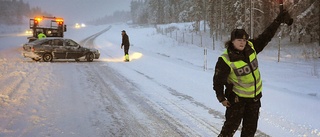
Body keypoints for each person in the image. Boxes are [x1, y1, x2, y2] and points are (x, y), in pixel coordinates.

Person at [213, 11, 293, 137]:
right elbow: (218, 81)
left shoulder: (251, 47)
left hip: (254, 100)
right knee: (228, 131)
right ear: (232, 41)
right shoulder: (225, 59)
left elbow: (266, 36)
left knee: (249, 132)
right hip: (237, 100)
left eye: (244, 40)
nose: (242, 43)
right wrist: (221, 98)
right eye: (239, 40)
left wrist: (277, 21)